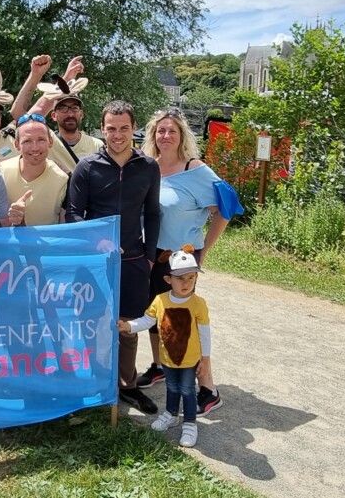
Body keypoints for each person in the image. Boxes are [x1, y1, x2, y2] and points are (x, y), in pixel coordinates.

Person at [136, 109, 242, 416]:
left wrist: (205, 250)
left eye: (172, 131)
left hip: (183, 255)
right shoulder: (149, 168)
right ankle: (158, 365)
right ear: (152, 136)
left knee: (184, 322)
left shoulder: (195, 169)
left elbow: (226, 207)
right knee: (156, 311)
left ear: (182, 136)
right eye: (160, 131)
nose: (165, 136)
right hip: (154, 254)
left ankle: (207, 388)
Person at [67, 100, 160, 414]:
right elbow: (73, 214)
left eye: (124, 128)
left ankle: (128, 386)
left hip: (133, 260)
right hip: (94, 261)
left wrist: (148, 256)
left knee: (127, 326)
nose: (117, 135)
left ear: (134, 128)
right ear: (101, 129)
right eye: (111, 128)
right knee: (92, 324)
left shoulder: (149, 167)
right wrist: (98, 240)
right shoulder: (87, 166)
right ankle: (94, 383)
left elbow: (153, 212)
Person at [117, 249, 210, 448]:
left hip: (189, 359)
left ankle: (190, 423)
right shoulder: (160, 300)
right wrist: (128, 326)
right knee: (172, 387)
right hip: (167, 358)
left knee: (187, 389)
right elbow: (146, 321)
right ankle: (171, 414)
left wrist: (205, 359)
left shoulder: (198, 304)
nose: (186, 283)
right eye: (180, 278)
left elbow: (205, 333)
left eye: (191, 278)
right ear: (168, 279)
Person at [0, 113, 68, 226]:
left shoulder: (63, 179)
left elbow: (65, 224)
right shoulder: (1, 171)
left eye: (41, 140)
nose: (35, 148)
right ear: (16, 145)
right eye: (27, 141)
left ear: (50, 142)